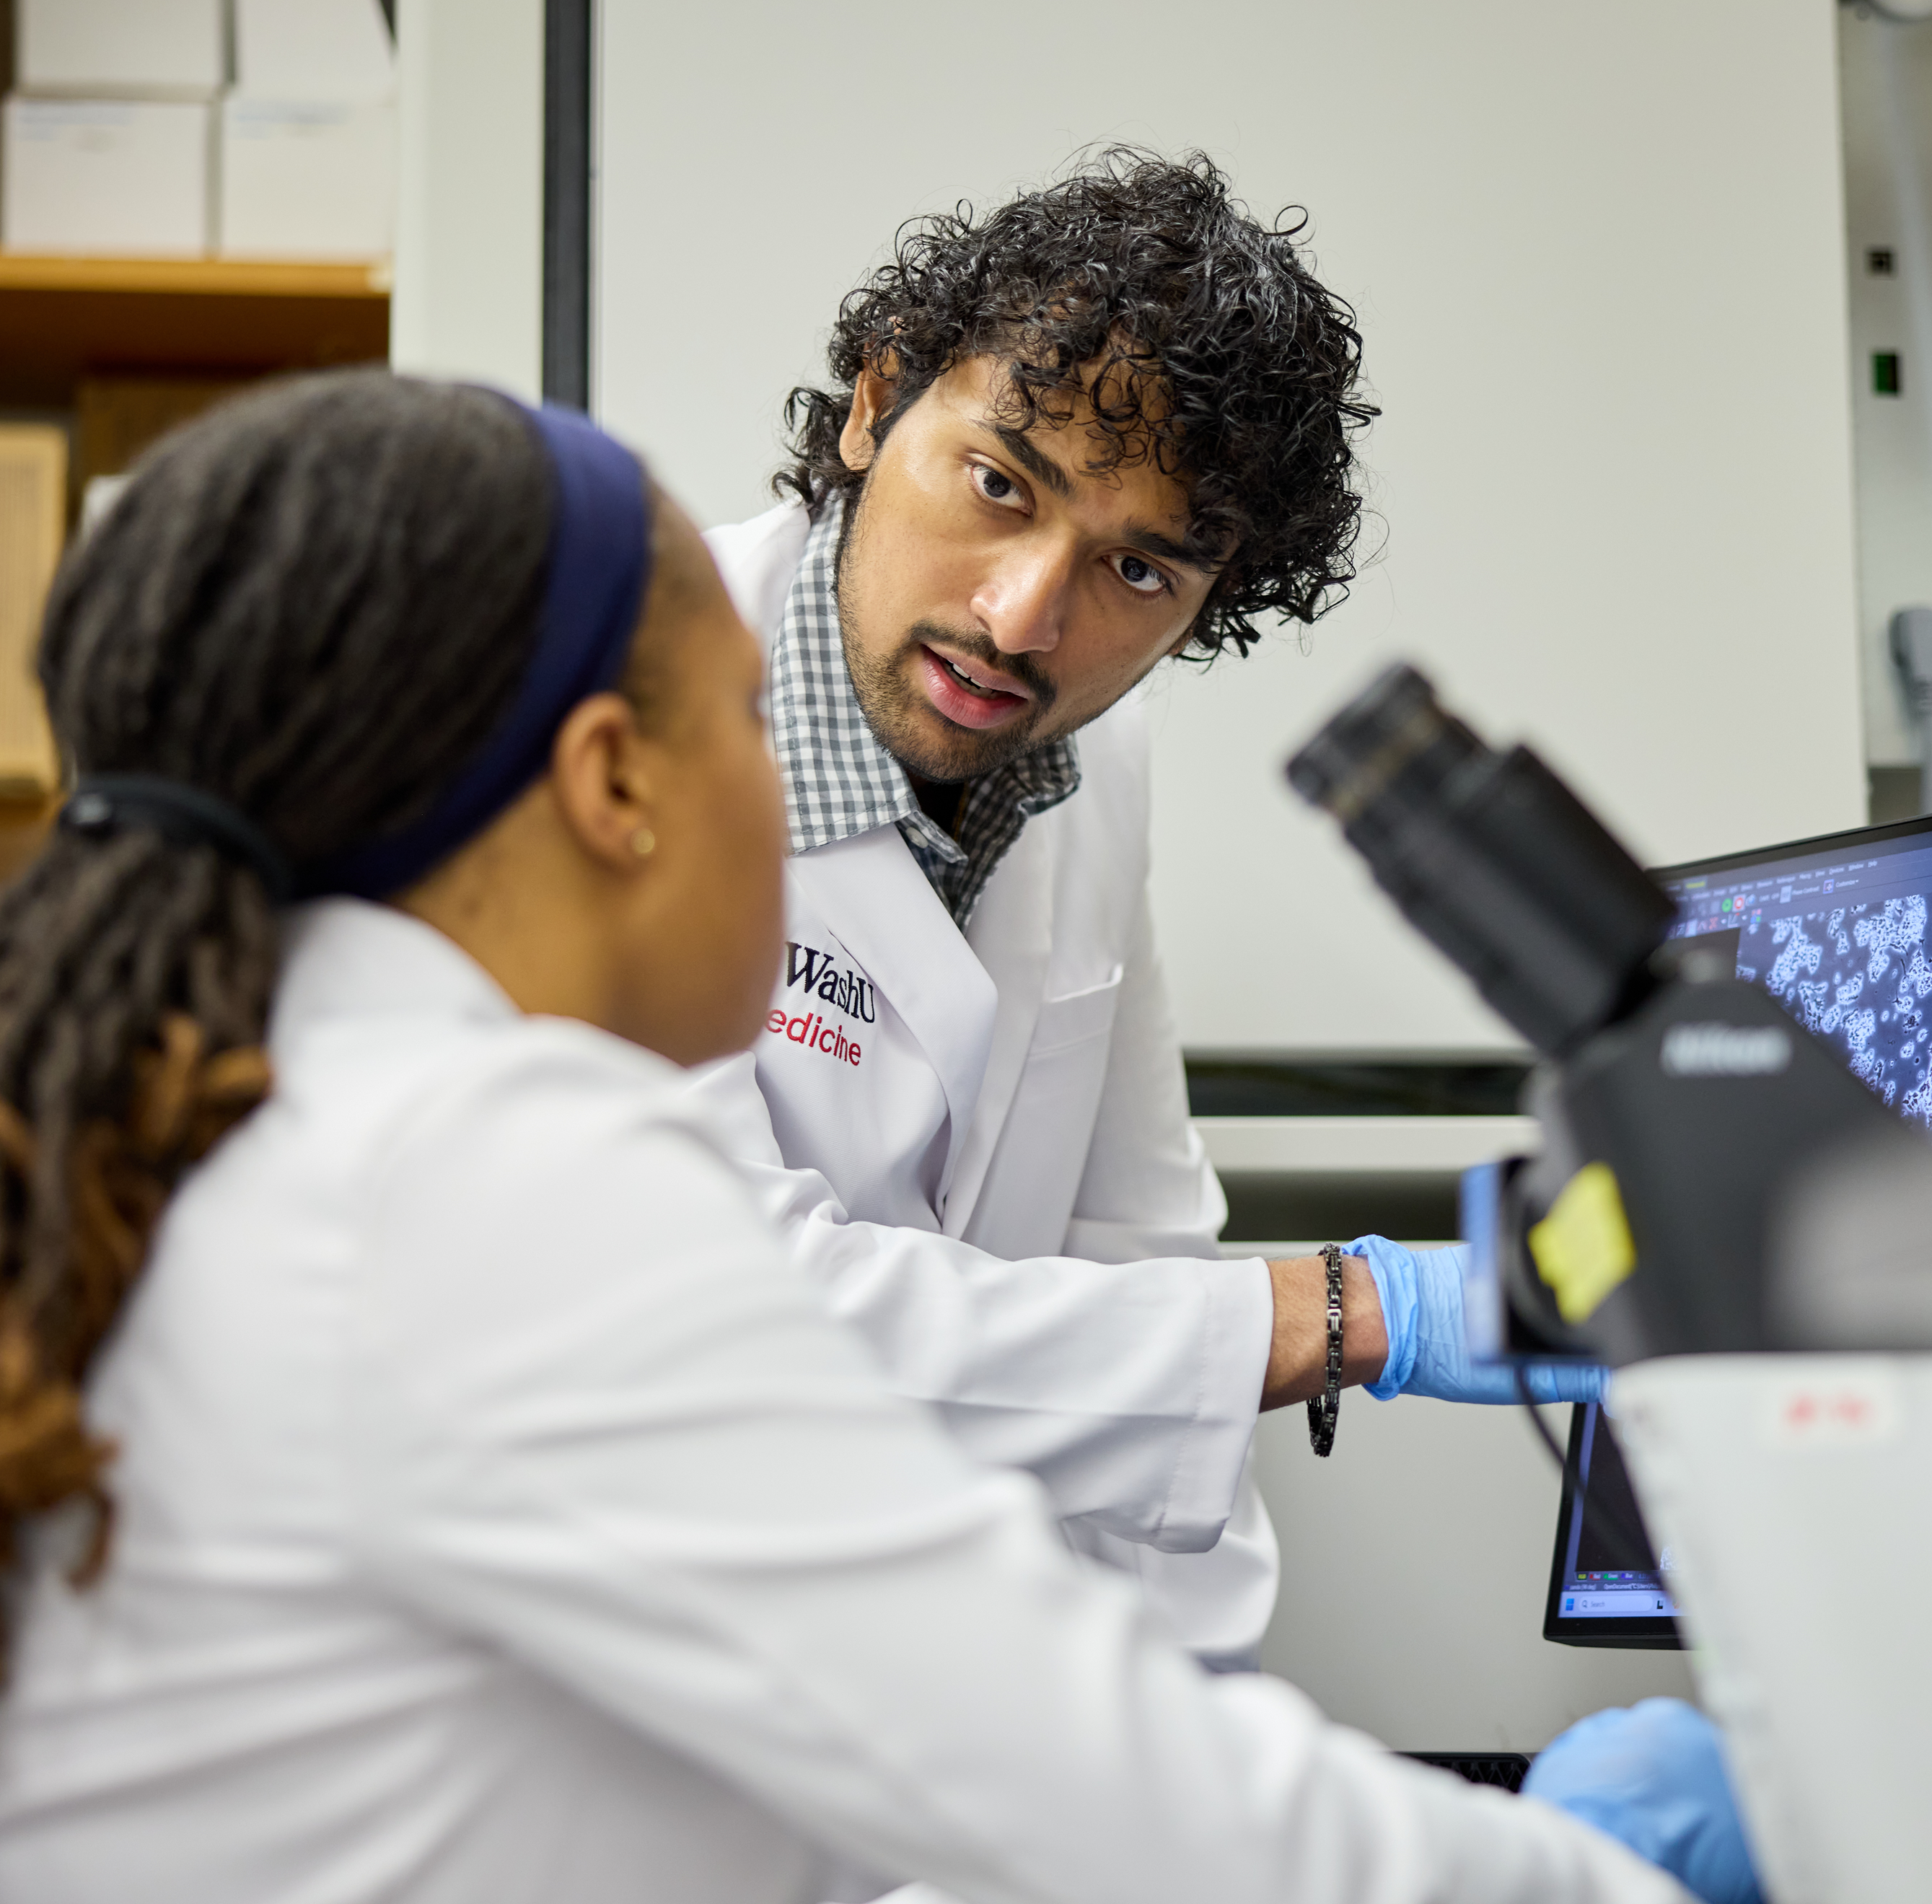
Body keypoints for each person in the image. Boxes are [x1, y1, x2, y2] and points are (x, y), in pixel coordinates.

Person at [0, 371, 1757, 1902]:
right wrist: (1586, 1865)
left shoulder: (272, 1121)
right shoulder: (474, 1173)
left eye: (1143, 563)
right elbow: (1094, 1787)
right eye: (756, 724)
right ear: (615, 785)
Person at [695, 148, 1602, 1665]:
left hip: (921, 1722)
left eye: (1136, 568)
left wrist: (1227, 1789)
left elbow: (1132, 1257)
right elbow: (736, 1323)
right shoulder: (613, 722)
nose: (1024, 619)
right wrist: (1360, 1312)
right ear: (873, 404)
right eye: (999, 484)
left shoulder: (1086, 761)